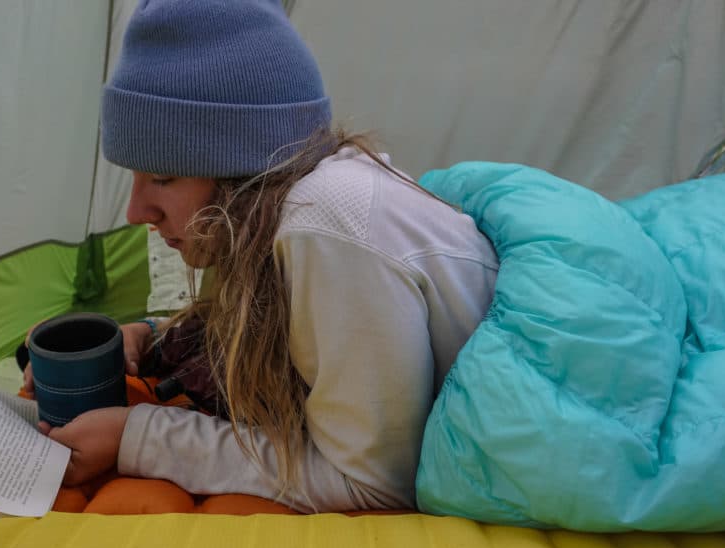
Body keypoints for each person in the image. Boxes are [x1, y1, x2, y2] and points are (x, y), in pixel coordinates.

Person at [26, 0, 499, 512]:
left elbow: (373, 484)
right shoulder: (268, 219)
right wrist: (150, 336)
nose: (137, 211)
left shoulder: (327, 230)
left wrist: (139, 439)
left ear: (243, 174)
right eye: (134, 177)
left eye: (162, 178)